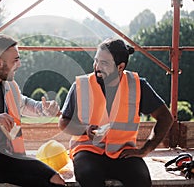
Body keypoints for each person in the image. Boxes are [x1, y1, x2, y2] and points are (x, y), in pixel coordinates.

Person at [58, 38, 174, 187]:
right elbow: (63, 121)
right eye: (96, 60)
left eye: (104, 63)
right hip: (88, 150)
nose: (97, 67)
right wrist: (85, 130)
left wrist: (145, 150)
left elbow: (166, 118)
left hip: (123, 152)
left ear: (120, 67)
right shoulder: (81, 85)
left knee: (141, 179)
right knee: (88, 176)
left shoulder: (138, 85)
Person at [0, 34, 65, 187]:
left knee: (55, 180)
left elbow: (23, 104)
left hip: (5, 159)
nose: (19, 65)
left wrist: (43, 109)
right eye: (16, 60)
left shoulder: (10, 86)